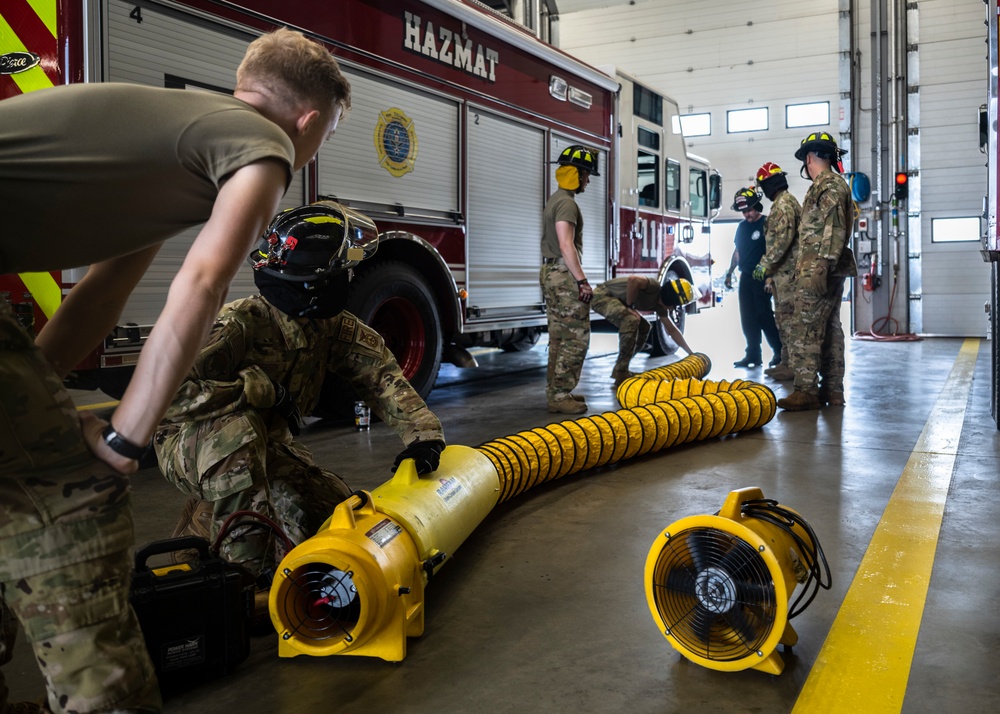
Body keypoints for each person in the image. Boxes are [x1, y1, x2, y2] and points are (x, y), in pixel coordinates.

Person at [0, 28, 350, 713]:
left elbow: (101, 293)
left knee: (16, 482)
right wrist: (123, 445)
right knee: (71, 505)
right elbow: (202, 285)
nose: (311, 151)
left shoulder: (174, 143)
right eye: (326, 136)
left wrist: (32, 397)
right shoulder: (265, 144)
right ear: (308, 121)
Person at [154, 201, 445, 583]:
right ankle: (241, 581)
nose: (349, 277)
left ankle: (203, 526)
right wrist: (252, 390)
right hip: (194, 442)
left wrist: (423, 436)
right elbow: (165, 393)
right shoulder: (237, 326)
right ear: (318, 284)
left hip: (262, 444)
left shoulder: (328, 325)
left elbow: (381, 375)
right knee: (238, 441)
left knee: (331, 512)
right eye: (343, 272)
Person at [777, 132, 858, 411]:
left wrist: (822, 264)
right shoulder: (829, 185)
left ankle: (807, 390)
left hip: (818, 268)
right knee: (830, 328)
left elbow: (834, 227)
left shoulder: (829, 185)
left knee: (805, 328)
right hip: (824, 267)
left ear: (809, 158)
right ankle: (832, 390)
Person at [540, 145, 600, 415]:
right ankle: (560, 393)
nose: (588, 180)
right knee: (576, 337)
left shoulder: (556, 198)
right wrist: (582, 281)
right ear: (576, 174)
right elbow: (567, 245)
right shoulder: (566, 203)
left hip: (551, 273)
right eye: (586, 175)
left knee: (559, 337)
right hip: (564, 276)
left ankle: (556, 392)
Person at [591, 275, 696, 385]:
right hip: (602, 295)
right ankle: (621, 371)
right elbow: (633, 279)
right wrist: (630, 306)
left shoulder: (659, 306)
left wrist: (690, 353)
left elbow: (672, 331)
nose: (674, 308)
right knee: (631, 320)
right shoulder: (654, 286)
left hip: (616, 301)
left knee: (644, 327)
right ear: (671, 300)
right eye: (676, 305)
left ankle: (621, 368)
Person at [751, 162, 802, 382]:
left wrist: (765, 264)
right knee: (783, 320)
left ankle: (794, 367)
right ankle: (786, 363)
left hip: (789, 275)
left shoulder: (784, 205)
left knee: (790, 321)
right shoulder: (783, 203)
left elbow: (782, 241)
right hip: (783, 275)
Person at [724, 187, 782, 369]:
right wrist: (729, 272)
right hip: (746, 277)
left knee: (764, 316)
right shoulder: (741, 228)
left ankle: (779, 352)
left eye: (749, 210)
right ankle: (753, 355)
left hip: (762, 277)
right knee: (747, 317)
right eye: (744, 212)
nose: (747, 214)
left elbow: (775, 252)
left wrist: (770, 277)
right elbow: (738, 252)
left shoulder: (767, 224)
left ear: (757, 207)